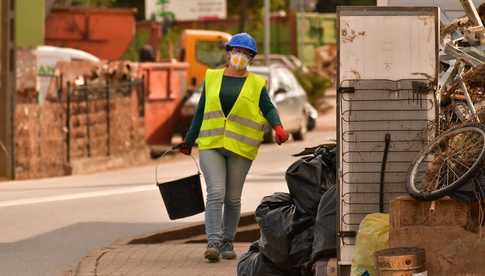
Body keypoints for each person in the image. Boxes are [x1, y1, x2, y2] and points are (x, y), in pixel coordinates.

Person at [175, 32, 289, 262]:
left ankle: (228, 241)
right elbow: (201, 111)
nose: (239, 56)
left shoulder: (257, 83)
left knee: (233, 198)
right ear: (228, 53)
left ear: (251, 58)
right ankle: (214, 243)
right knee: (216, 192)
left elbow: (268, 108)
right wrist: (189, 139)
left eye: (245, 53)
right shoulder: (213, 77)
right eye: (236, 50)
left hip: (240, 148)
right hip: (211, 144)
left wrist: (278, 127)